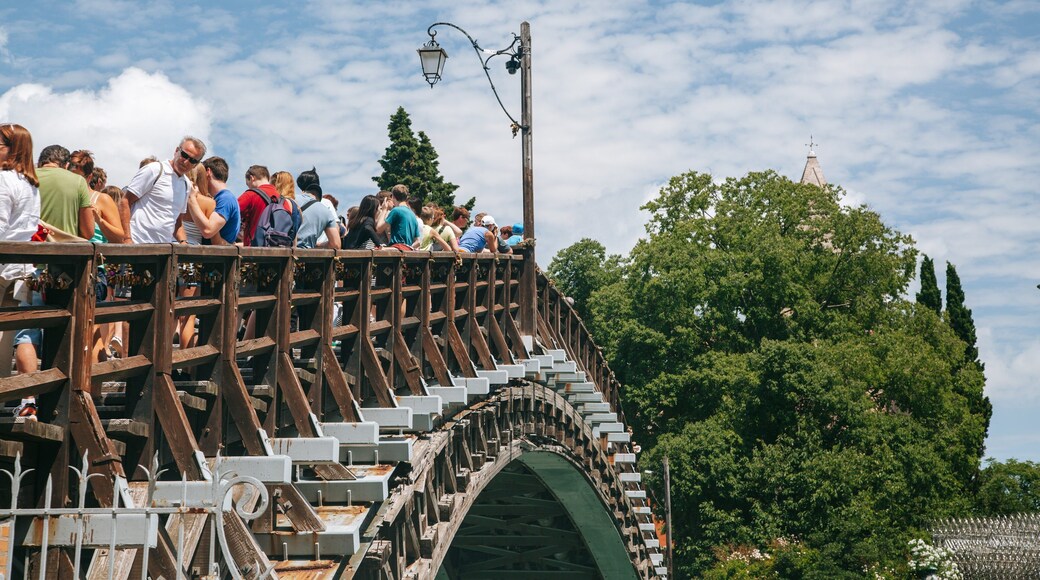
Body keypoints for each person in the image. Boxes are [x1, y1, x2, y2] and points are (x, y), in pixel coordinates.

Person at [0, 124, 41, 417]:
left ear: (12, 148)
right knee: (8, 335)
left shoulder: (3, 181)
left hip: (3, 266)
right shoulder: (30, 184)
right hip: (23, 268)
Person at [120, 136, 204, 244]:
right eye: (184, 155)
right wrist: (127, 238)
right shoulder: (154, 170)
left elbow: (177, 222)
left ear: (195, 165)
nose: (186, 162)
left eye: (192, 160)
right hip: (137, 244)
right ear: (176, 151)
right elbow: (125, 202)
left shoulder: (186, 184)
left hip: (163, 252)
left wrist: (183, 243)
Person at [37, 144, 94, 239]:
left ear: (40, 163)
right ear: (67, 165)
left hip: (29, 246)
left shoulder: (25, 177)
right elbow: (88, 232)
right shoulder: (79, 181)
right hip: (66, 250)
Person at [186, 156, 240, 245]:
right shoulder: (222, 198)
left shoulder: (226, 199)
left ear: (208, 172)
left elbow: (208, 231)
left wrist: (192, 199)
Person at [238, 164, 295, 246]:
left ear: (252, 178)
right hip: (278, 252)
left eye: (248, 184)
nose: (249, 187)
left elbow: (231, 213)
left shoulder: (250, 195)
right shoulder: (284, 201)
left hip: (254, 252)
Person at [295, 168, 340, 249]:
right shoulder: (326, 209)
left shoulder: (291, 199)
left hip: (283, 254)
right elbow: (336, 244)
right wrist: (319, 245)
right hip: (308, 256)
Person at [375, 184, 419, 250]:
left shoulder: (396, 210)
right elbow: (418, 241)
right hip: (407, 252)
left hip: (397, 249)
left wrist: (384, 209)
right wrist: (408, 248)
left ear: (393, 196)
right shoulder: (412, 214)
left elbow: (379, 229)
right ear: (406, 197)